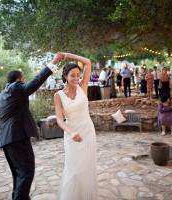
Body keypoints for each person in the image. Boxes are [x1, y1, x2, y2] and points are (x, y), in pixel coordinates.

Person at [0, 53, 63, 200]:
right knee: (26, 172)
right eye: (23, 79)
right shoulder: (16, 88)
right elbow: (35, 82)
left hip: (6, 141)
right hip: (17, 137)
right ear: (19, 79)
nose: (24, 81)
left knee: (18, 174)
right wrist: (53, 62)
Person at [54, 52, 97, 200]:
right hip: (71, 133)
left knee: (87, 167)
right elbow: (59, 119)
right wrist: (70, 132)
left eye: (78, 75)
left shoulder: (82, 87)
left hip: (88, 132)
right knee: (73, 169)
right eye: (72, 75)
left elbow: (88, 62)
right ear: (65, 76)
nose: (76, 78)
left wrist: (67, 55)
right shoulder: (58, 95)